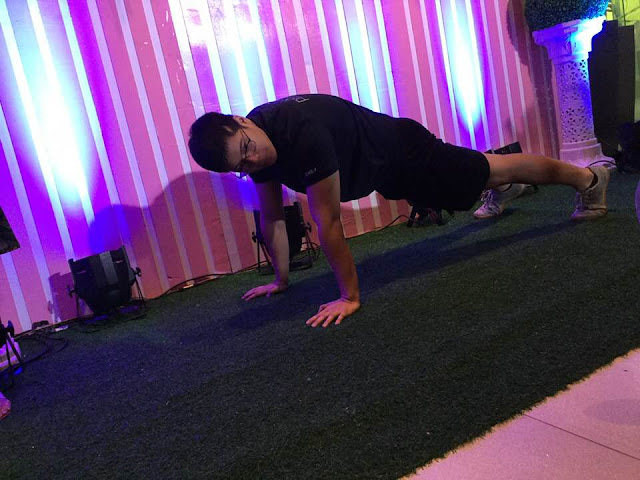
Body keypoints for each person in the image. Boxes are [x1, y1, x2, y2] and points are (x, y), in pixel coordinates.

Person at [188, 94, 610, 328]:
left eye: (247, 149)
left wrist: (349, 297)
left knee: (490, 167)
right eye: (242, 166)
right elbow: (272, 216)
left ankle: (589, 180)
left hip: (406, 151)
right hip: (385, 172)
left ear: (240, 120)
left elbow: (328, 222)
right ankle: (505, 188)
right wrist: (280, 281)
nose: (254, 161)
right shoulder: (257, 148)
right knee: (470, 184)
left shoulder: (302, 134)